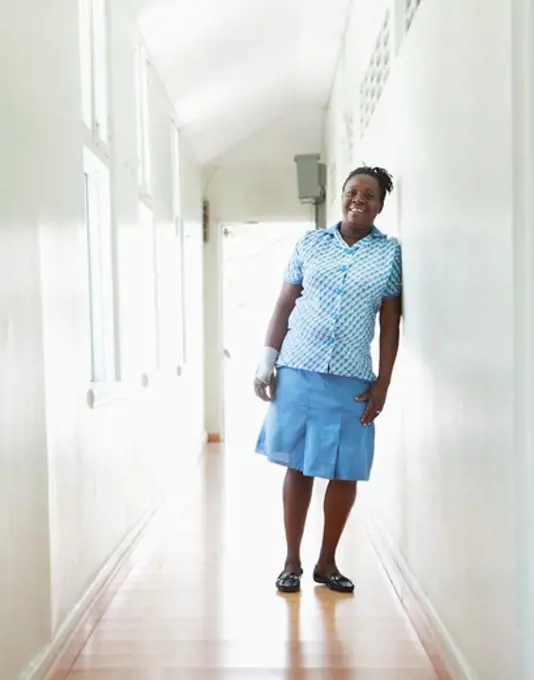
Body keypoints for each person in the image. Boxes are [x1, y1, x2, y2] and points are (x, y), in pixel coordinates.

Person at [253, 166, 402, 594]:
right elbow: (284, 303)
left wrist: (383, 383)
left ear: (380, 205)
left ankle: (326, 562)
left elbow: (390, 325)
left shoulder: (389, 255)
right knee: (298, 468)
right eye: (352, 191)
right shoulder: (311, 243)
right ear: (342, 196)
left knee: (344, 471)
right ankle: (291, 562)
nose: (359, 199)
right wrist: (267, 359)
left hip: (351, 379)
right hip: (298, 369)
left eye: (369, 195)